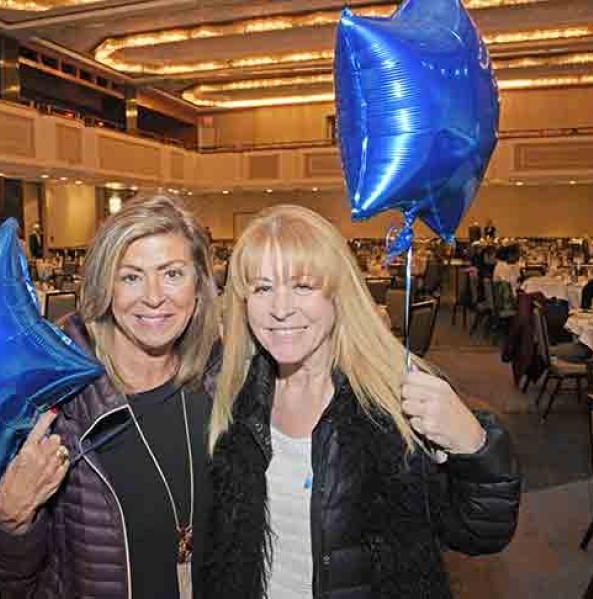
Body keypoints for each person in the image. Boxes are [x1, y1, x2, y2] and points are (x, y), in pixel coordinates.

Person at [202, 205, 521, 598]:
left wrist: (476, 446)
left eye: (302, 286)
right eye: (263, 288)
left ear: (339, 295)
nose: (280, 309)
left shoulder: (393, 397)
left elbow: (480, 533)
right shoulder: (234, 398)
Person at [0, 195, 220, 598]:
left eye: (172, 273)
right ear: (104, 286)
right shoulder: (54, 404)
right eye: (131, 277)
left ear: (199, 285)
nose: (154, 296)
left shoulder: (219, 382)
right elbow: (1, 583)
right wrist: (11, 522)